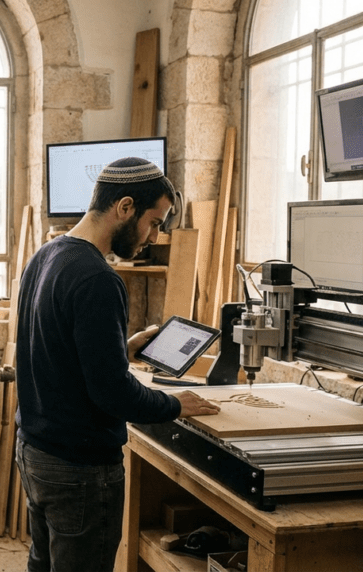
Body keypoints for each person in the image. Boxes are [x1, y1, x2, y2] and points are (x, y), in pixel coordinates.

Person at [14, 157, 221, 571]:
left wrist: (119, 350)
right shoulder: (97, 278)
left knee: (43, 564)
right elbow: (112, 394)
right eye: (154, 222)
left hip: (36, 451)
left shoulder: (46, 255)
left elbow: (51, 349)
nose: (154, 236)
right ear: (125, 207)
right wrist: (174, 404)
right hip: (79, 469)